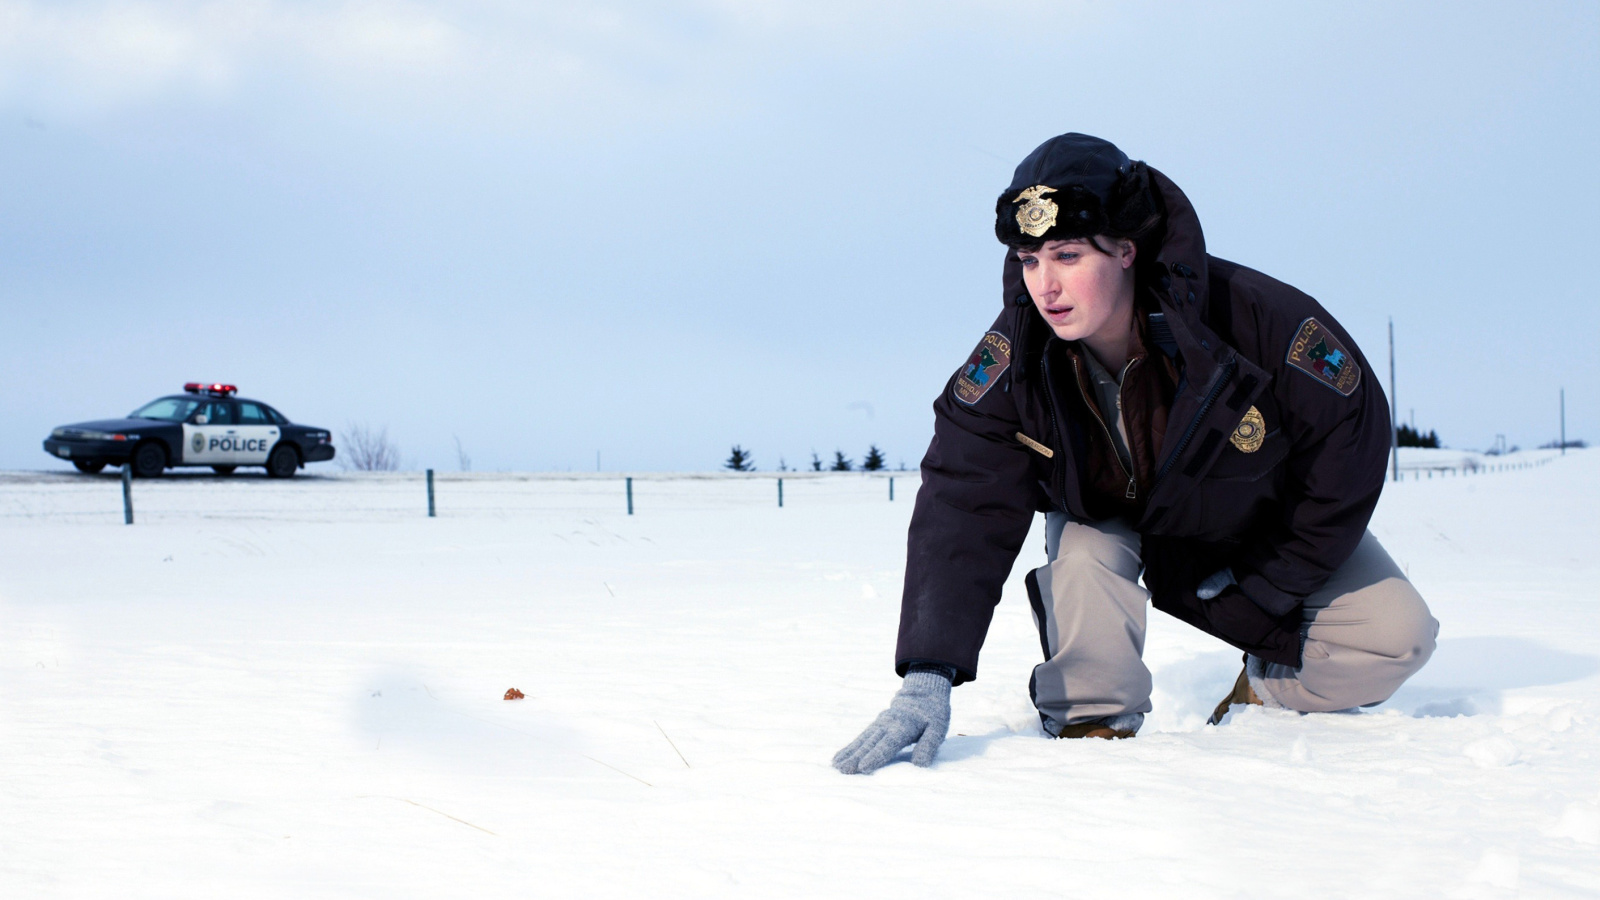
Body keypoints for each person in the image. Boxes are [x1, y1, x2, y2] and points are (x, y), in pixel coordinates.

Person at [832, 133, 1438, 775]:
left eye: (1066, 255)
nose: (1045, 285)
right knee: (1087, 572)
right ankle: (1093, 745)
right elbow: (962, 494)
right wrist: (929, 672)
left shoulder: (1257, 320)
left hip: (1253, 524)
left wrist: (1265, 586)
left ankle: (1262, 696)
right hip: (1106, 519)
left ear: (1126, 248)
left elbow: (1347, 448)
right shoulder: (1013, 358)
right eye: (1029, 260)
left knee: (1395, 638)